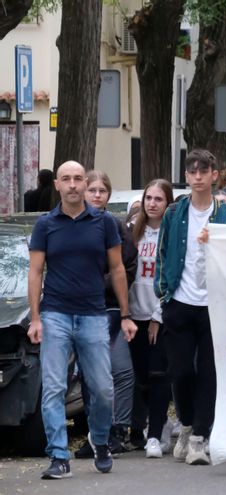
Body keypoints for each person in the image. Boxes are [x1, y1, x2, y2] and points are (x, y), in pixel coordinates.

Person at [27, 161, 138, 479]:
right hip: (56, 314)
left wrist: (126, 314)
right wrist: (35, 318)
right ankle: (59, 456)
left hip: (93, 315)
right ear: (58, 186)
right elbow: (35, 272)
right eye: (67, 179)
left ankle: (100, 440)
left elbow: (117, 270)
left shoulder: (103, 222)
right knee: (53, 388)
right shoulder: (46, 225)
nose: (74, 184)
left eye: (79, 179)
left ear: (83, 183)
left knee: (103, 388)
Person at [155, 149, 226, 466]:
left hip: (214, 305)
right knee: (181, 370)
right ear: (187, 176)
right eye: (193, 171)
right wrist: (164, 292)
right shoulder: (174, 213)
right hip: (180, 301)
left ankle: (198, 439)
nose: (198, 175)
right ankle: (188, 421)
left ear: (214, 175)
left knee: (209, 372)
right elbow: (163, 252)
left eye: (204, 170)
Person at [73, 170, 138, 458]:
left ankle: (117, 430)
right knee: (89, 376)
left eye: (102, 191)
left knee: (120, 371)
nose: (97, 195)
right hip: (81, 311)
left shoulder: (116, 226)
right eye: (93, 190)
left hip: (111, 309)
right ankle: (94, 433)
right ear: (84, 192)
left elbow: (126, 267)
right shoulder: (72, 225)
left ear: (108, 196)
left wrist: (100, 284)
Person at [128, 179, 174, 459]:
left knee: (159, 376)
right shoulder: (133, 232)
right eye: (149, 198)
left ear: (168, 204)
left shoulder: (170, 234)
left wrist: (158, 316)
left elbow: (172, 277)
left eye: (159, 199)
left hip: (160, 315)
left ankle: (154, 434)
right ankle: (160, 421)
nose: (152, 203)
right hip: (133, 315)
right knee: (141, 376)